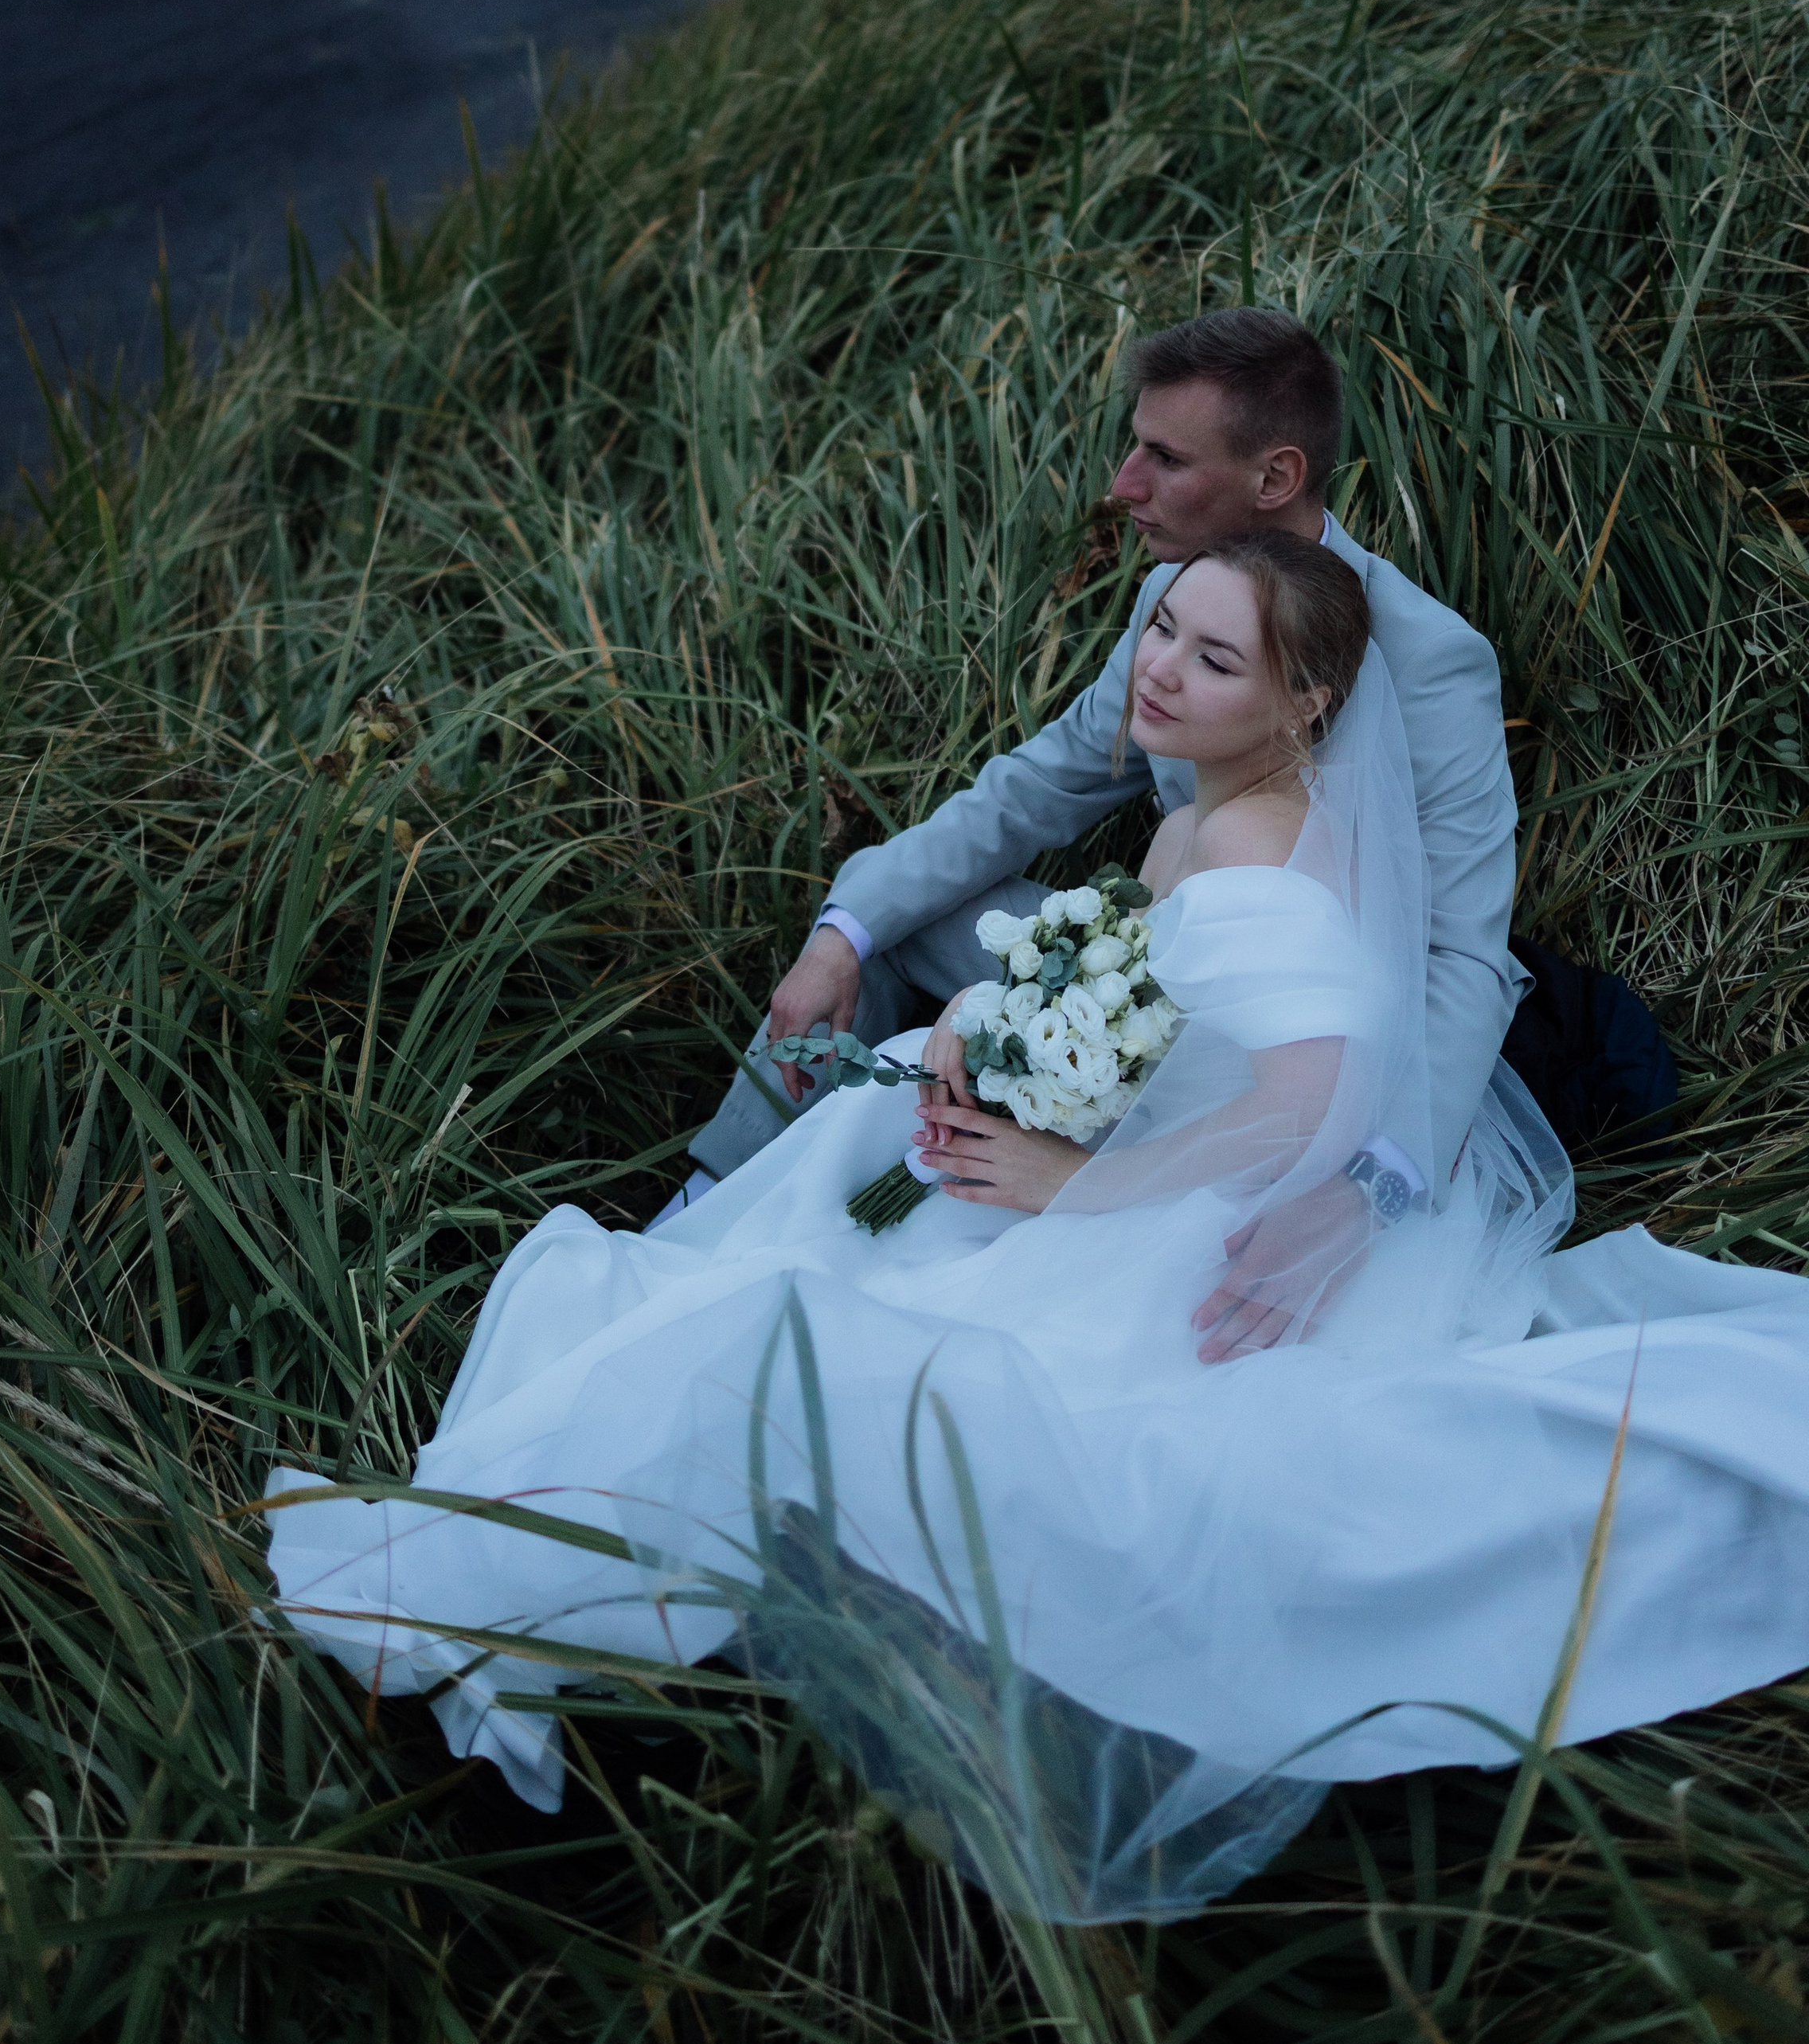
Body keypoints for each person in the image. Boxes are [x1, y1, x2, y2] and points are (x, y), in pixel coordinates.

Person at [268, 533, 1809, 1923]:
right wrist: (986, 1036)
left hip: (1180, 1212)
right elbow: (1140, 981)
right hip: (1139, 1144)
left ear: (1304, 706)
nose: (1157, 667)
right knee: (843, 1181)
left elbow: (1311, 1095)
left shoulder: (1255, 849)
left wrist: (1073, 1185)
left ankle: (566, 1596)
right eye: (1160, 632)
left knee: (808, 1344)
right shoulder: (1222, 803)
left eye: (1211, 659)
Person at [680, 307, 1524, 1358]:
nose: (1122, 487)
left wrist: (1373, 1187)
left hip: (1308, 1054)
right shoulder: (1173, 597)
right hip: (1162, 966)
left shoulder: (1432, 661)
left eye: (1164, 461)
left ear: (1274, 479)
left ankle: (844, 1229)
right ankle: (705, 1207)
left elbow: (1461, 956)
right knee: (889, 922)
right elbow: (1035, 787)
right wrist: (844, 931)